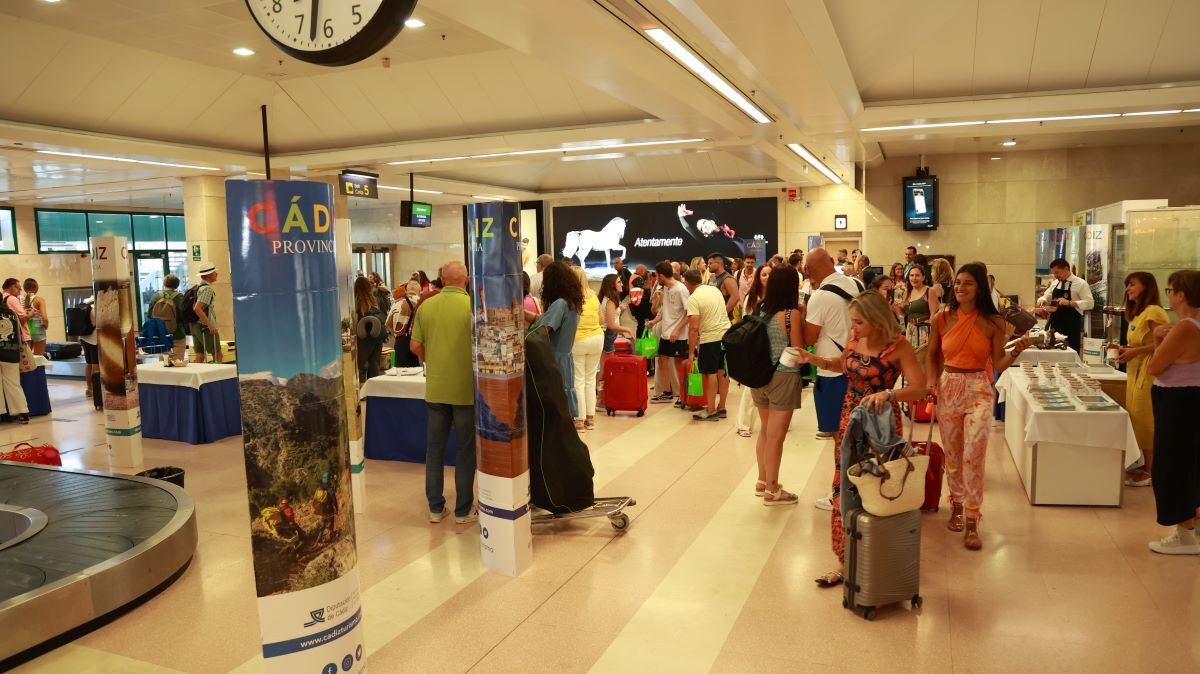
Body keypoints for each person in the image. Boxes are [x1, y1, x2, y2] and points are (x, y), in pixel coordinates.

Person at [799, 292, 926, 587]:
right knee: (844, 483)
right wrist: (813, 359)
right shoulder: (855, 339)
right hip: (850, 417)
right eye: (852, 322)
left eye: (859, 322)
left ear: (877, 320)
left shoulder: (899, 346)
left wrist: (888, 393)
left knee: (880, 486)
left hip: (880, 423)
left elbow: (920, 388)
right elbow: (842, 366)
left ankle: (878, 558)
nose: (853, 328)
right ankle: (844, 560)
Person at [928, 262, 1034, 550]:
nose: (961, 287)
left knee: (974, 453)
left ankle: (973, 517)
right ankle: (957, 505)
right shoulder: (941, 317)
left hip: (977, 388)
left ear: (980, 288)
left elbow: (998, 362)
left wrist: (1017, 350)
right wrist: (931, 383)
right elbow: (932, 354)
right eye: (959, 282)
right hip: (949, 386)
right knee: (953, 454)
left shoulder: (993, 321)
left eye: (968, 283)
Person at [410, 260, 478, 524]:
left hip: (436, 389)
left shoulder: (427, 305)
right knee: (465, 451)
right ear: (466, 280)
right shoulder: (472, 307)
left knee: (434, 450)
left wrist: (432, 359)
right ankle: (463, 511)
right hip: (465, 391)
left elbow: (415, 345)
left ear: (442, 280)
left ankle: (436, 508)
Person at [1144, 270, 1200, 554]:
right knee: (1188, 461)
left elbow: (1155, 366)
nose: (1170, 296)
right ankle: (1192, 526)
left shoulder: (1186, 327)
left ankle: (1185, 532)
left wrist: (1156, 339)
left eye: (1170, 291)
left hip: (1178, 401)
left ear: (1181, 294)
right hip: (1189, 399)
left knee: (1172, 464)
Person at [750, 265, 806, 505]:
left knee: (765, 430)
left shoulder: (760, 307)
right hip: (783, 377)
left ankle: (763, 480)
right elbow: (798, 348)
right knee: (776, 437)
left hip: (758, 376)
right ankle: (773, 490)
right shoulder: (790, 313)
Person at [1113, 272, 1169, 487]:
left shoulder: (1154, 311)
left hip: (1148, 370)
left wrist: (1137, 352)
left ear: (1146, 287)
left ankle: (1151, 470)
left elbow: (1164, 343)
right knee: (1136, 415)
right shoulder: (1139, 313)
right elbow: (1140, 344)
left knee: (1146, 419)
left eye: (1132, 285)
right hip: (1135, 370)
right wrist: (1126, 349)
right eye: (1127, 285)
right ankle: (1143, 463)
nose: (1128, 289)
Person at [802, 249, 862, 444]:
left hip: (831, 372)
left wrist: (799, 316)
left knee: (840, 436)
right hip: (861, 366)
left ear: (808, 270)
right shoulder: (857, 283)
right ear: (831, 260)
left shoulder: (819, 297)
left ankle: (843, 471)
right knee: (859, 431)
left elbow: (809, 339)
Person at [534, 261, 584, 419]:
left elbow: (543, 331)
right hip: (565, 358)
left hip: (552, 360)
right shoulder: (571, 304)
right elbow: (545, 320)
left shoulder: (559, 304)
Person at [682, 268, 731, 421]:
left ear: (687, 283)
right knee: (723, 371)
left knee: (710, 373)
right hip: (726, 334)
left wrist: (691, 353)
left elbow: (694, 327)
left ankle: (710, 410)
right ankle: (721, 407)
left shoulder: (694, 298)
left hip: (710, 338)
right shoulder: (714, 290)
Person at [646, 261, 690, 406]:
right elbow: (666, 311)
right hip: (666, 333)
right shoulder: (665, 288)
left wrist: (677, 330)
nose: (656, 278)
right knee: (662, 360)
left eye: (657, 275)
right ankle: (667, 392)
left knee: (679, 364)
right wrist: (654, 321)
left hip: (678, 335)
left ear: (662, 275)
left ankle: (684, 396)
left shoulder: (681, 289)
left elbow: (689, 313)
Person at [736, 264, 772, 438]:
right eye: (763, 274)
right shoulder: (752, 297)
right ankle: (744, 424)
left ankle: (774, 422)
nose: (766, 277)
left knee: (773, 387)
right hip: (755, 346)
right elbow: (747, 322)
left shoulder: (778, 297)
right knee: (751, 387)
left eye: (769, 274)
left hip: (773, 347)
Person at [1036, 258, 1094, 352]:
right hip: (1055, 325)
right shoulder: (1055, 283)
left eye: (1057, 272)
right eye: (1054, 273)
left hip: (1071, 326)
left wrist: (1070, 303)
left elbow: (1090, 303)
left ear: (1066, 269)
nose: (1055, 275)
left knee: (1070, 353)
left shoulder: (1080, 283)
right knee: (1053, 352)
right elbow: (1047, 295)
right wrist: (1042, 300)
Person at [571, 267, 604, 431]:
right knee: (590, 380)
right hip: (597, 338)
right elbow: (601, 318)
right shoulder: (593, 295)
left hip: (578, 340)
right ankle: (590, 419)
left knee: (578, 379)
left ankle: (579, 420)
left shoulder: (570, 297)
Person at [0, 294, 29, 424]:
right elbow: (19, 333)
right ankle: (23, 413)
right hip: (11, 352)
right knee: (14, 385)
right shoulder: (11, 313)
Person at [353, 276, 387, 382]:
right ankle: (374, 392)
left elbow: (354, 323)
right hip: (376, 337)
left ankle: (363, 395)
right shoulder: (374, 302)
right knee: (374, 365)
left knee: (361, 366)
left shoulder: (357, 304)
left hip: (363, 339)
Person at [148, 275, 187, 360]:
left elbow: (150, 316)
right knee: (178, 362)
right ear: (177, 285)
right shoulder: (180, 297)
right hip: (177, 334)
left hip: (160, 334)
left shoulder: (155, 296)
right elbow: (184, 316)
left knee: (164, 363)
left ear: (164, 283)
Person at [190, 262, 221, 363]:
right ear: (208, 275)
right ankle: (217, 376)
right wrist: (210, 325)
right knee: (217, 354)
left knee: (200, 354)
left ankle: (198, 377)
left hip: (195, 325)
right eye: (214, 272)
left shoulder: (198, 287)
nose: (217, 274)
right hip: (204, 327)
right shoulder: (207, 289)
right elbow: (197, 308)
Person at [901, 264, 937, 352]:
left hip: (924, 329)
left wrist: (931, 334)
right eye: (912, 275)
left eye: (917, 275)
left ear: (923, 277)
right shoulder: (907, 292)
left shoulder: (929, 291)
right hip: (910, 328)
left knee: (922, 357)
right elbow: (903, 313)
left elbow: (934, 313)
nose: (914, 278)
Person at [387, 284, 419, 367]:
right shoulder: (417, 301)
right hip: (414, 338)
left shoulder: (396, 304)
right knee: (415, 367)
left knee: (402, 368)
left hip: (401, 340)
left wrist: (396, 333)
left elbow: (387, 324)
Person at [707, 253, 741, 319]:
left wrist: (723, 314)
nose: (708, 265)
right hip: (712, 317)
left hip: (723, 321)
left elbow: (735, 297)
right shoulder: (712, 277)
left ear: (718, 264)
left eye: (710, 263)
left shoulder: (728, 279)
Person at [21, 279, 48, 356]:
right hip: (38, 330)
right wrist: (46, 326)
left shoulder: (19, 299)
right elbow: (45, 318)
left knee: (27, 360)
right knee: (39, 358)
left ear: (24, 288)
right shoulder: (39, 300)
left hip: (25, 330)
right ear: (36, 288)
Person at [79, 297, 98, 398]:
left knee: (89, 364)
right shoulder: (96, 308)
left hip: (83, 338)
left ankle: (89, 388)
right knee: (95, 365)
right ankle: (96, 389)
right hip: (94, 339)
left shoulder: (85, 304)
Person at [2, 278, 30, 348]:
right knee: (25, 358)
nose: (20, 292)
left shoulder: (1, 298)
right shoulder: (12, 298)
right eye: (19, 289)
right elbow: (23, 318)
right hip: (21, 337)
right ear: (12, 287)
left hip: (6, 337)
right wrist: (30, 314)